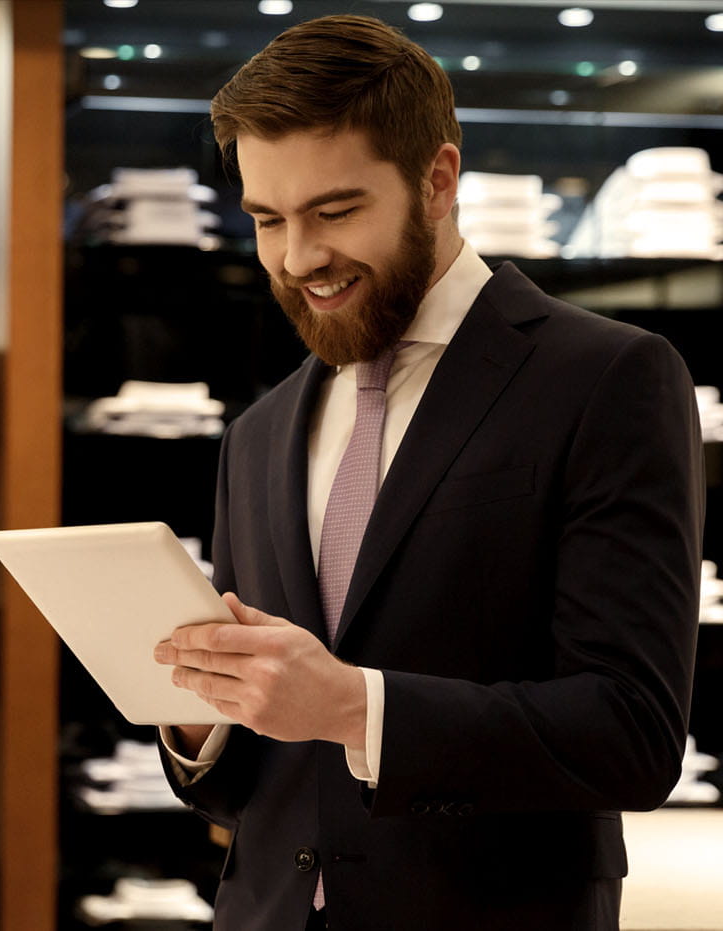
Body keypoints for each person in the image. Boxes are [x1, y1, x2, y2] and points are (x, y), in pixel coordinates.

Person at [151, 15, 702, 931]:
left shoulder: (607, 377)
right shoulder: (258, 430)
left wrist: (356, 705)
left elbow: (634, 734)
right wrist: (204, 722)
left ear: (438, 179)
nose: (297, 258)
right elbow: (250, 790)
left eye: (334, 212)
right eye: (267, 220)